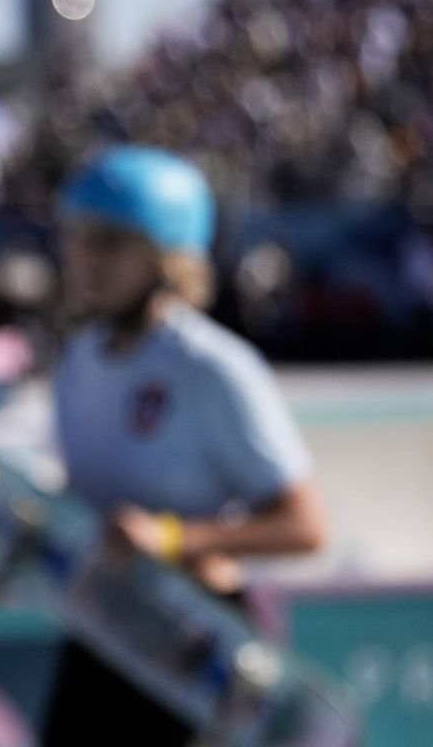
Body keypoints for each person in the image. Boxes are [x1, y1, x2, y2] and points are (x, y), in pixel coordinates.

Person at [40, 146, 325, 745]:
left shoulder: (213, 366)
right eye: (78, 236)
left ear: (167, 259)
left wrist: (170, 538)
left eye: (111, 240)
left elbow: (305, 525)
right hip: (101, 636)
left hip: (195, 646)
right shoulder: (78, 361)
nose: (87, 257)